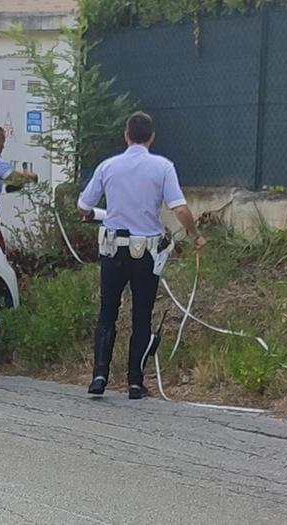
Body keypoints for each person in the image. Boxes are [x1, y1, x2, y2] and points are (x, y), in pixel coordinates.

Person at [78, 111, 205, 400]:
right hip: (145, 252)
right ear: (151, 137)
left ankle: (99, 375)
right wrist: (196, 235)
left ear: (126, 135)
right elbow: (180, 208)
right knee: (141, 315)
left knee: (107, 312)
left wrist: (99, 214)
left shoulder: (107, 166)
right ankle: (135, 381)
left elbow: (83, 206)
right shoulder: (162, 167)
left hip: (112, 249)